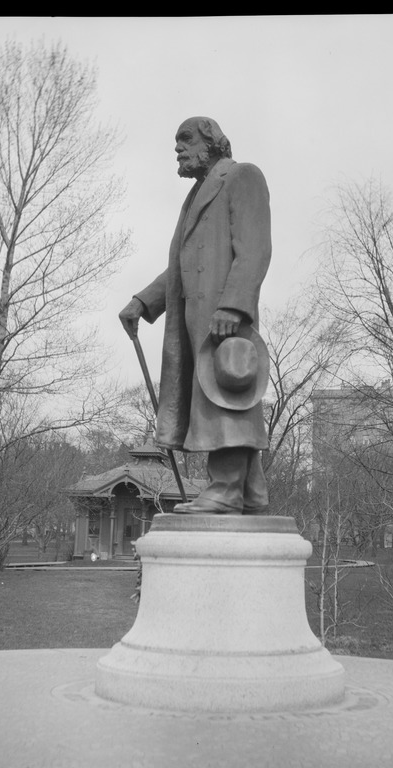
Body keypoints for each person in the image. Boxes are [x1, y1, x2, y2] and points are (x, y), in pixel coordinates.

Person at [119, 116, 271, 514]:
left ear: (211, 142)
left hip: (222, 321)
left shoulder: (242, 176)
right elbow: (182, 267)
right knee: (224, 400)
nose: (178, 149)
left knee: (227, 399)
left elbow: (255, 249)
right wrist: (144, 302)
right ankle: (251, 494)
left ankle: (226, 490)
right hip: (194, 323)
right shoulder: (196, 197)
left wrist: (233, 305)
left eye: (185, 139)